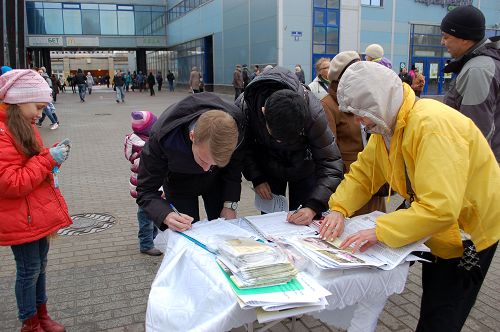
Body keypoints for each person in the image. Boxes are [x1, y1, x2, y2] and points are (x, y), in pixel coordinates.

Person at [319, 61, 500, 332]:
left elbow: (441, 208)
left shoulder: (432, 126)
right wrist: (338, 208)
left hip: (470, 231)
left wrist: (380, 231)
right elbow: (363, 174)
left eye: (361, 113)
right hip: (435, 224)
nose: (359, 122)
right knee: (433, 293)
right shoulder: (387, 124)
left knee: (443, 310)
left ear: (380, 101)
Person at [0, 69, 72, 332]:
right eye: (38, 107)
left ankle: (42, 315)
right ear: (19, 101)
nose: (40, 114)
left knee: (40, 267)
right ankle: (29, 322)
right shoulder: (3, 132)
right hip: (20, 216)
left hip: (35, 213)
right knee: (29, 270)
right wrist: (48, 159)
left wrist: (53, 160)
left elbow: (34, 163)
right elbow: (11, 182)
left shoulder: (24, 127)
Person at [239, 66, 344, 225]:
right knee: (270, 222)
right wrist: (257, 178)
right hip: (268, 168)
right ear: (263, 111)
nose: (281, 142)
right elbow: (243, 148)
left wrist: (313, 206)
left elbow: (331, 162)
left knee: (303, 220)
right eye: (277, 137)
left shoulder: (313, 112)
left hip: (304, 167)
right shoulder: (246, 106)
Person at [136, 92, 246, 232]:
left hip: (217, 181)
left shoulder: (236, 129)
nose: (206, 169)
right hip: (179, 183)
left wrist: (230, 204)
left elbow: (234, 168)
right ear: (192, 136)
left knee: (224, 229)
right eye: (203, 160)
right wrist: (165, 215)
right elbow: (145, 190)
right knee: (186, 230)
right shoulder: (163, 137)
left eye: (215, 163)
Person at [321, 51, 386, 215]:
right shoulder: (328, 105)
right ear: (342, 77)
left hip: (373, 175)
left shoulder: (365, 97)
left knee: (375, 225)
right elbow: (329, 151)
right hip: (351, 179)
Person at [440, 5, 500, 162]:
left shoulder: (478, 70)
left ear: (465, 38)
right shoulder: (485, 64)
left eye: (446, 37)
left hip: (482, 170)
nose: (442, 42)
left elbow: (476, 133)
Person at [124, 111, 162, 256]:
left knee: (152, 212)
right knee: (146, 214)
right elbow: (144, 165)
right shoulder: (142, 146)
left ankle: (152, 238)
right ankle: (146, 244)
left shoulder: (138, 140)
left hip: (147, 184)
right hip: (144, 185)